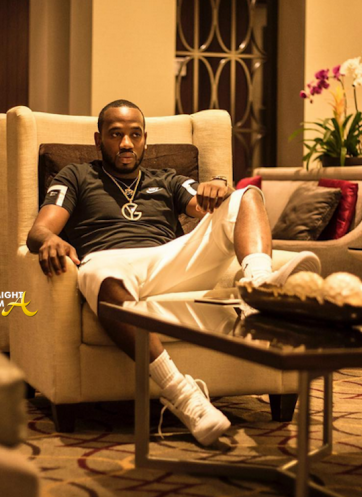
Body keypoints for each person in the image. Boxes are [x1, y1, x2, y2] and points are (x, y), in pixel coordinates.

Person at [27, 99, 321, 446]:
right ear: (98, 140)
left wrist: (219, 187)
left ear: (145, 140)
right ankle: (183, 396)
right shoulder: (77, 176)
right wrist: (50, 239)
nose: (126, 143)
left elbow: (204, 206)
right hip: (111, 262)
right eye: (116, 134)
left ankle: (259, 286)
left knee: (247, 196)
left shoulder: (166, 179)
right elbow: (39, 230)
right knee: (96, 272)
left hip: (170, 260)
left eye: (135, 135)